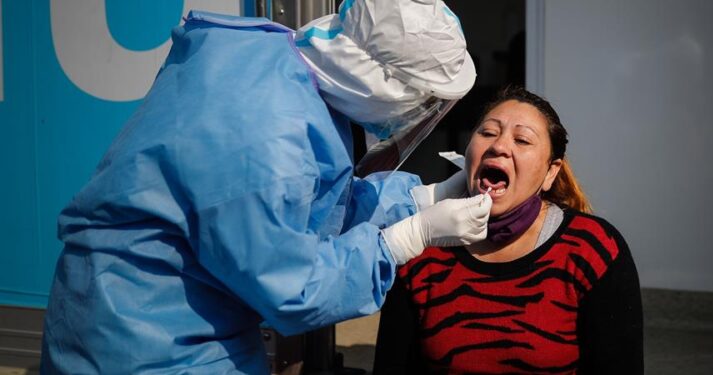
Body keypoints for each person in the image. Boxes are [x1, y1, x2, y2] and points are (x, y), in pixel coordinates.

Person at [40, 1, 492, 374]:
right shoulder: (267, 143)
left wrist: (417, 200)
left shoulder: (269, 62)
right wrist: (405, 240)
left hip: (133, 308)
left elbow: (312, 209)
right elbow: (293, 290)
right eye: (421, 102)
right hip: (149, 343)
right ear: (383, 86)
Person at [373, 86, 644, 374]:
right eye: (488, 133)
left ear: (551, 172)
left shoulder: (593, 249)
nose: (499, 146)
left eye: (522, 140)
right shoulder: (424, 245)